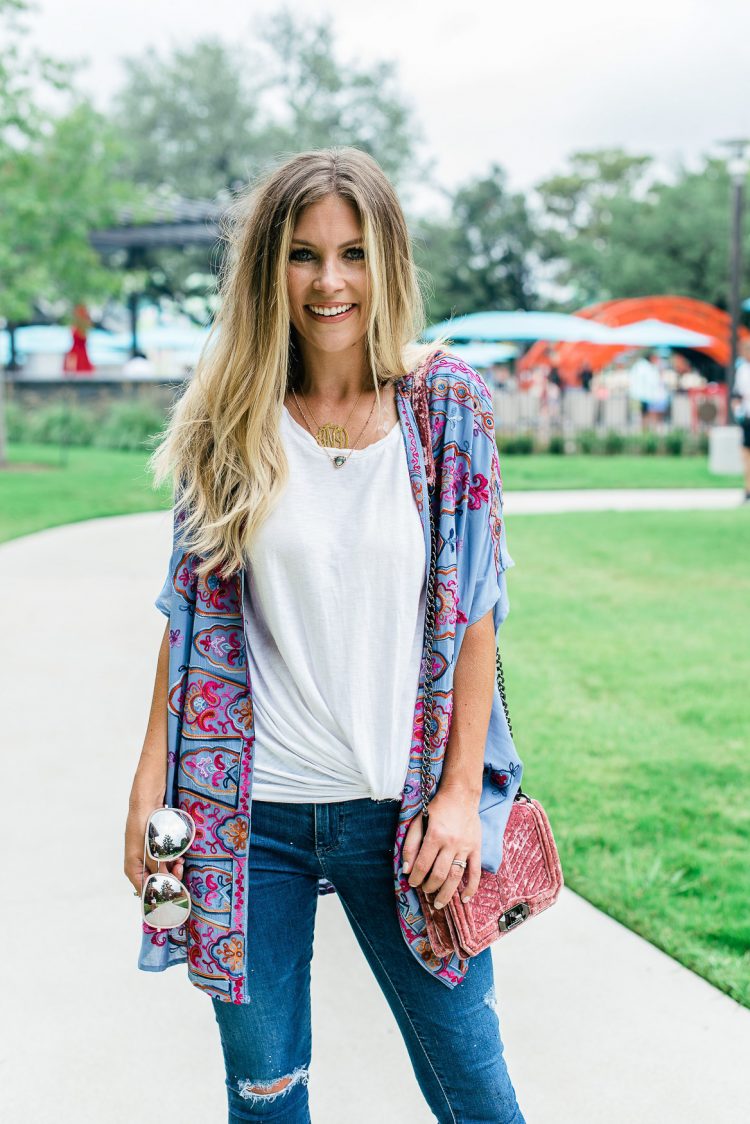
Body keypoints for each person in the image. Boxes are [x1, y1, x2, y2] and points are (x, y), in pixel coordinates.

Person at [123, 147, 526, 1123]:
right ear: (272, 267)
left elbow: (476, 614)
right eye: (304, 255)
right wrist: (149, 782)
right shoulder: (234, 416)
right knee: (264, 1096)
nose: (330, 280)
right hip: (248, 817)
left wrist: (462, 795)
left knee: (476, 1091)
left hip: (407, 811)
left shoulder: (446, 408)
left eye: (352, 253)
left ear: (385, 260)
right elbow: (189, 619)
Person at [730, 338, 750, 502]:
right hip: (747, 417)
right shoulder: (742, 370)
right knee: (746, 454)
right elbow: (737, 395)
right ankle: (748, 488)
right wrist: (737, 411)